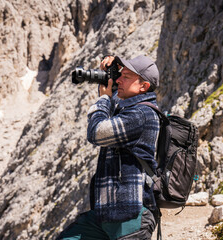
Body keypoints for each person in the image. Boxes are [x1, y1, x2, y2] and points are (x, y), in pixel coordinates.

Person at [58, 55, 161, 239]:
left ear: (143, 87)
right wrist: (112, 72)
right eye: (120, 74)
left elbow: (97, 132)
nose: (119, 79)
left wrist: (104, 99)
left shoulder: (142, 114)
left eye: (126, 77)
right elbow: (114, 112)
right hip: (107, 213)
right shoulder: (128, 110)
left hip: (131, 215)